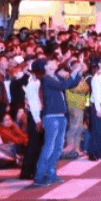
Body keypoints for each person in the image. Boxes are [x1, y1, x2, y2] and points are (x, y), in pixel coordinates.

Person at [31, 56, 83, 187]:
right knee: (49, 147)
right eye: (51, 62)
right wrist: (74, 71)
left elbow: (70, 84)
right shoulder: (46, 79)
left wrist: (78, 72)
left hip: (61, 115)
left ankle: (51, 173)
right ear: (46, 67)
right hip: (51, 116)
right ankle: (39, 176)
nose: (55, 63)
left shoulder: (56, 77)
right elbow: (64, 85)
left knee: (58, 147)